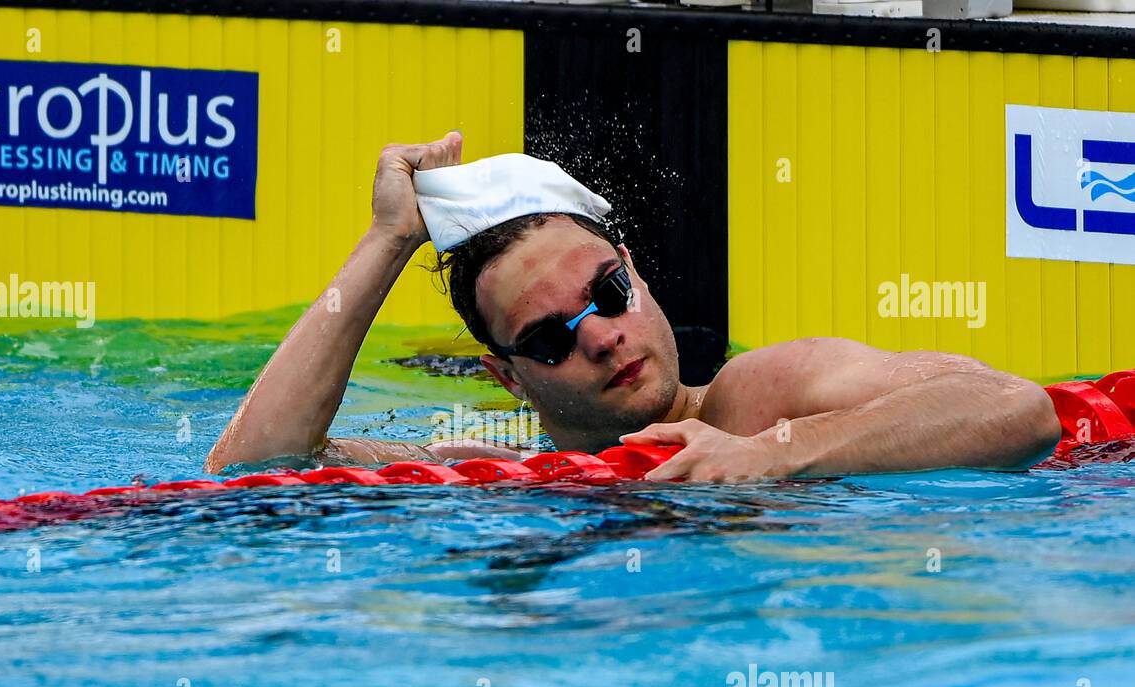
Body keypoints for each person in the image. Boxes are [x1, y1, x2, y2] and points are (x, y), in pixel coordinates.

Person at [205, 132, 1061, 481]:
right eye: (549, 339)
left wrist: (777, 455)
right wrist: (388, 239)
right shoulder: (494, 476)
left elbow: (1015, 407)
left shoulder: (759, 398)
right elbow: (253, 467)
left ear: (636, 271)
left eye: (608, 291)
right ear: (508, 379)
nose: (606, 338)